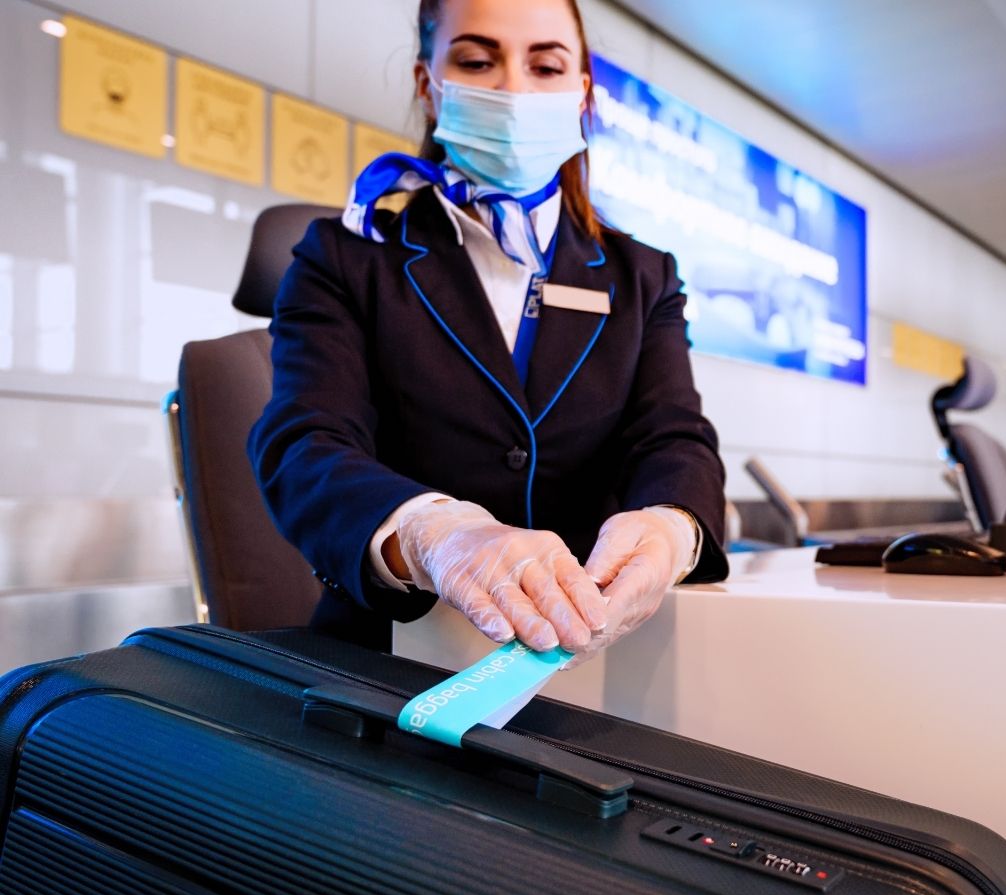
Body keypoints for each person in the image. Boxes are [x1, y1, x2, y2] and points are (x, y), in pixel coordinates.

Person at [249, 0, 728, 655]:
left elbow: (673, 438)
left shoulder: (644, 277)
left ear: (581, 90)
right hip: (392, 660)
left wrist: (671, 526)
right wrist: (430, 535)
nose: (513, 90)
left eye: (546, 65)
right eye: (477, 61)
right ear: (428, 85)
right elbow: (304, 443)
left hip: (591, 660)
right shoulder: (345, 256)